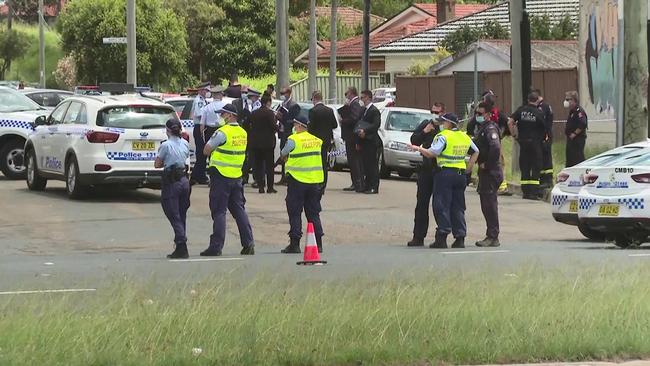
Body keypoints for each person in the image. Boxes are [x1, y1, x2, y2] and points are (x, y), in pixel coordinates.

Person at [410, 113, 479, 249]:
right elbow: (476, 151)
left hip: (445, 174)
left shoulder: (443, 136)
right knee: (458, 207)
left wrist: (418, 149)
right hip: (459, 175)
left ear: (448, 123)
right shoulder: (463, 136)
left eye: (443, 122)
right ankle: (460, 237)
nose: (441, 124)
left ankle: (442, 237)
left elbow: (432, 153)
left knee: (441, 205)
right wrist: (468, 169)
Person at [201, 104, 255, 256]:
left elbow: (206, 149)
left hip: (221, 176)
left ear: (230, 116)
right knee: (239, 210)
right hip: (236, 176)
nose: (221, 117)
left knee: (219, 211)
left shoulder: (222, 132)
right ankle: (248, 243)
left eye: (223, 114)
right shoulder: (243, 133)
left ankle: (216, 247)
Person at [279, 115, 325, 254]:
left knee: (294, 212)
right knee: (313, 213)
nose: (293, 127)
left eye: (294, 124)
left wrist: (286, 159)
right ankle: (319, 243)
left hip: (297, 180)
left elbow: (283, 153)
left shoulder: (293, 139)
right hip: (314, 182)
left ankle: (294, 243)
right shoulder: (317, 140)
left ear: (299, 126)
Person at [407, 102, 444, 247]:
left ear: (443, 112)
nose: (435, 115)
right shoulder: (426, 124)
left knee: (440, 205)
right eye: (433, 111)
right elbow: (414, 140)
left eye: (438, 112)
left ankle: (441, 237)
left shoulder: (447, 127)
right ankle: (418, 236)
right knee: (421, 204)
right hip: (426, 170)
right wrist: (425, 132)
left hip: (441, 170)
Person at [155, 118, 191, 259]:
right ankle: (181, 245)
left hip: (172, 182)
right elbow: (185, 156)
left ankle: (181, 242)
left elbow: (157, 164)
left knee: (172, 213)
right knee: (181, 214)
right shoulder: (185, 143)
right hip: (184, 180)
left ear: (168, 130)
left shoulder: (166, 145)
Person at [473, 102, 503, 247]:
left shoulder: (490, 128)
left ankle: (493, 236)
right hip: (485, 172)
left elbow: (495, 147)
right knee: (485, 205)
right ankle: (491, 234)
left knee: (489, 205)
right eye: (476, 113)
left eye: (480, 114)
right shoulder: (481, 128)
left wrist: (488, 164)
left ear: (488, 114)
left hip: (491, 172)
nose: (477, 116)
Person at [508, 92, 546, 200]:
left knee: (524, 166)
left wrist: (514, 135)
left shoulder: (521, 110)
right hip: (535, 143)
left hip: (523, 142)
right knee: (536, 166)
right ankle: (533, 193)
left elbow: (510, 122)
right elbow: (545, 128)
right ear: (537, 100)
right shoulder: (539, 113)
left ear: (528, 99)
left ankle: (525, 192)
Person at [308, 91, 338, 194]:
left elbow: (310, 128)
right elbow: (335, 125)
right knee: (324, 163)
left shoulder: (313, 111)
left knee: (315, 164)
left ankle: (316, 184)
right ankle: (323, 185)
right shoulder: (329, 110)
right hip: (326, 140)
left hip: (315, 141)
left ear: (314, 99)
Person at [248, 95, 278, 194]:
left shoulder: (254, 113)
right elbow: (273, 126)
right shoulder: (270, 113)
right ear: (269, 102)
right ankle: (270, 187)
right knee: (269, 166)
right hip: (268, 143)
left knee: (258, 165)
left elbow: (246, 124)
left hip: (256, 143)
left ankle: (261, 186)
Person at [337, 87, 365, 192]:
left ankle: (357, 183)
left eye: (347, 93)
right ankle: (355, 182)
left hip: (352, 136)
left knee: (354, 161)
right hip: (350, 136)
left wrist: (343, 120)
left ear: (352, 93)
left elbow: (354, 118)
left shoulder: (355, 104)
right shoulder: (352, 104)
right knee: (352, 160)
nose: (346, 95)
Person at [233, 87, 261, 185]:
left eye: (247, 93)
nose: (245, 95)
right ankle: (244, 176)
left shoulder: (256, 105)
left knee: (253, 157)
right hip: (242, 133)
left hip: (252, 134)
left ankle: (256, 178)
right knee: (244, 156)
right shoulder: (236, 103)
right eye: (243, 93)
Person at [356, 90, 381, 194]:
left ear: (368, 98)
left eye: (363, 98)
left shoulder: (374, 110)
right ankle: (366, 185)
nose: (362, 100)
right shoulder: (363, 110)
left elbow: (376, 125)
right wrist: (358, 141)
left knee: (372, 165)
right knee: (365, 165)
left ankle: (373, 186)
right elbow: (360, 123)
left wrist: (365, 131)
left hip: (371, 141)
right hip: (364, 141)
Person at [275, 86, 301, 185]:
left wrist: (283, 118)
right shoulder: (283, 104)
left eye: (284, 93)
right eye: (281, 94)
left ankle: (289, 178)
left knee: (289, 157)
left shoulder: (294, 105)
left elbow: (293, 120)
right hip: (283, 133)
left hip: (290, 133)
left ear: (289, 93)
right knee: (283, 155)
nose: (282, 95)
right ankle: (283, 177)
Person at [190, 82, 211, 185]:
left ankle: (196, 175)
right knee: (201, 153)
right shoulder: (199, 101)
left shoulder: (203, 100)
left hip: (202, 127)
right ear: (201, 90)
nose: (207, 92)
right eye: (206, 90)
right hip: (200, 127)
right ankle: (198, 176)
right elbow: (200, 114)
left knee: (202, 153)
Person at [199, 85, 227, 162]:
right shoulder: (225, 106)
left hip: (210, 131)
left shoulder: (207, 107)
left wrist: (202, 135)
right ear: (220, 94)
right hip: (223, 131)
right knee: (222, 152)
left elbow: (202, 124)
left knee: (211, 152)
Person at [534, 89, 554, 187]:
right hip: (542, 135)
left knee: (546, 157)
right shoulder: (542, 106)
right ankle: (542, 179)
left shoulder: (543, 107)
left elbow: (542, 122)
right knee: (541, 157)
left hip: (545, 135)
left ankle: (548, 180)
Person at [564, 91, 587, 167]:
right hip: (571, 140)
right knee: (570, 160)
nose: (566, 101)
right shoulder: (572, 111)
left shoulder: (579, 111)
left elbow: (583, 124)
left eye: (568, 99)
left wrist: (574, 134)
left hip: (577, 140)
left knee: (577, 159)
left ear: (574, 100)